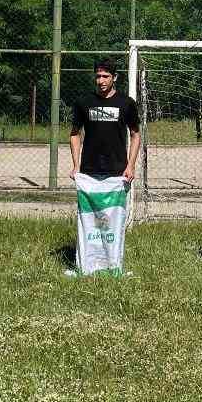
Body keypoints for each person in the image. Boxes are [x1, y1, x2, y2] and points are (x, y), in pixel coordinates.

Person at [67, 60, 142, 276]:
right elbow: (74, 134)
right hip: (89, 173)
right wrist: (76, 165)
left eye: (105, 76)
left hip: (117, 174)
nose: (101, 81)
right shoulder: (84, 102)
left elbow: (136, 135)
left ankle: (113, 265)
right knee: (89, 223)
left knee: (112, 225)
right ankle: (87, 266)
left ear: (115, 78)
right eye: (98, 76)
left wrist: (131, 165)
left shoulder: (126, 103)